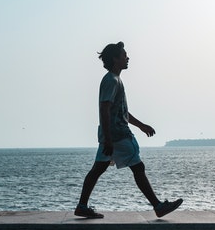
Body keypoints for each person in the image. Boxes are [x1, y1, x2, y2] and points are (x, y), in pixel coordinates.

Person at [75, 42, 183, 219]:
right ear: (115, 59)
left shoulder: (115, 80)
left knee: (98, 168)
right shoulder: (111, 80)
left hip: (112, 135)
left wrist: (141, 125)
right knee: (137, 166)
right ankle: (158, 206)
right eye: (124, 55)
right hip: (118, 136)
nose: (128, 58)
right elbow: (105, 109)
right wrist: (109, 139)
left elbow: (121, 110)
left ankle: (81, 206)